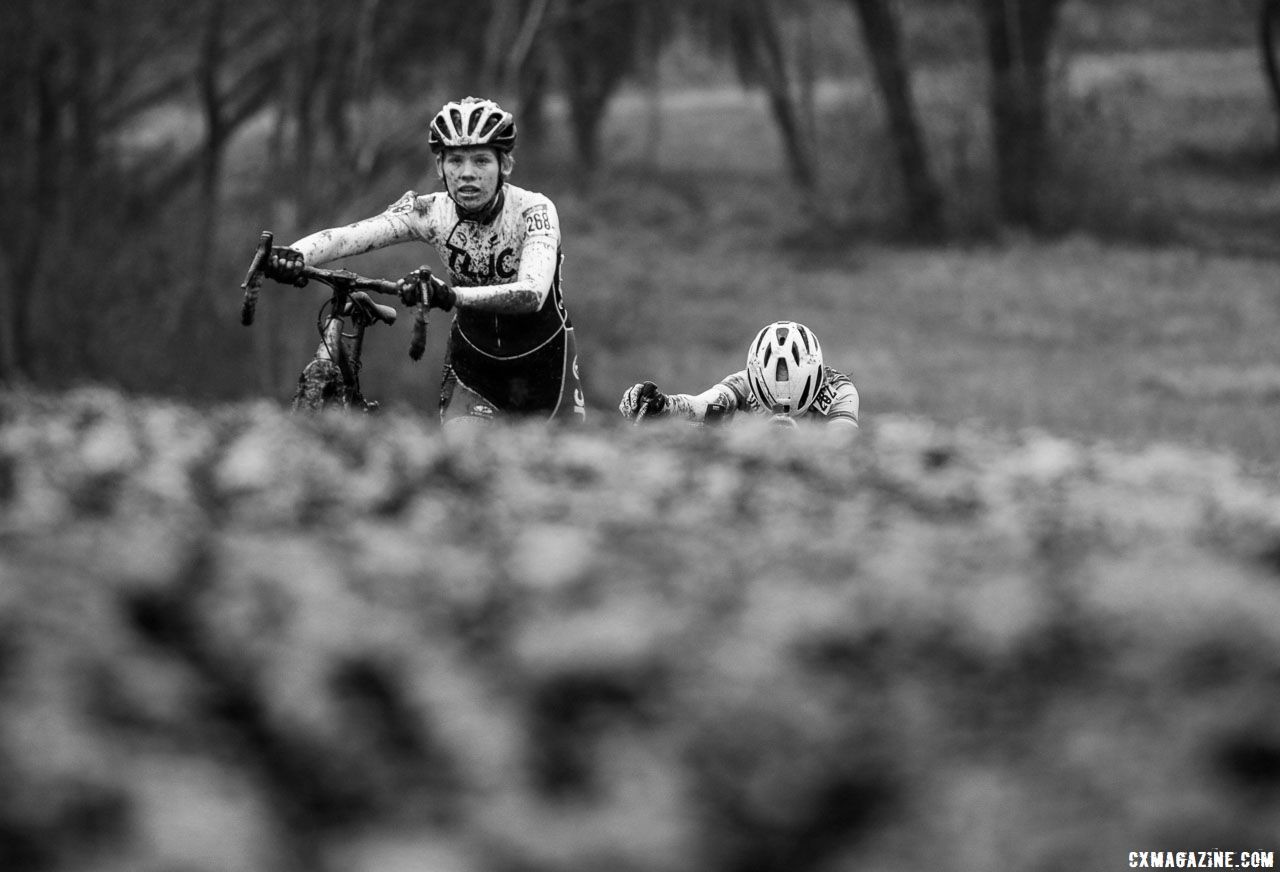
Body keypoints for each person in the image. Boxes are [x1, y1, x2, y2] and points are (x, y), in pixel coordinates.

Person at [264, 96, 586, 426]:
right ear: (439, 167)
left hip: (547, 367)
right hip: (474, 370)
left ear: (505, 165)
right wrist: (295, 254)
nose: (467, 174)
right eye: (455, 161)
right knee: (463, 467)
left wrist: (450, 295)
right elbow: (352, 235)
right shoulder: (430, 212)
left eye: (481, 161)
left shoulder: (535, 210)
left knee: (566, 472)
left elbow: (532, 294)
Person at [618, 320, 859, 430]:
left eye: (791, 382)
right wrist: (662, 405)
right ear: (756, 378)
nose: (783, 394)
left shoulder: (839, 390)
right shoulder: (744, 383)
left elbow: (844, 440)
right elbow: (701, 404)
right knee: (704, 429)